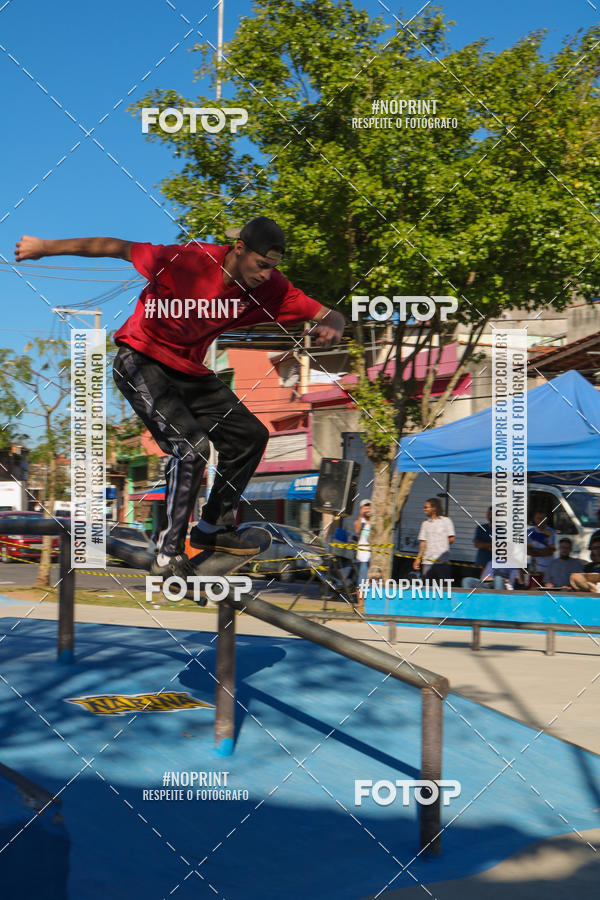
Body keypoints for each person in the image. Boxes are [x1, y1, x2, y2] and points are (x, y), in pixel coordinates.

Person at [15, 219, 345, 577]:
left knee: (250, 436)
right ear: (239, 249)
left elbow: (328, 314)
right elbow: (116, 247)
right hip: (140, 359)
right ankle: (167, 551)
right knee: (191, 447)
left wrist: (335, 323)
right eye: (261, 264)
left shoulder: (272, 288)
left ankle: (213, 527)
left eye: (273, 267)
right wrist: (44, 247)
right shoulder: (186, 260)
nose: (265, 275)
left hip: (188, 371)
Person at [414, 498, 455, 579]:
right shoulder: (425, 524)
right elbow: (423, 543)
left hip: (442, 562)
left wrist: (442, 547)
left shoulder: (446, 521)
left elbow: (451, 538)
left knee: (443, 585)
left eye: (426, 507)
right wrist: (418, 559)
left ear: (434, 508)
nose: (424, 509)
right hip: (427, 562)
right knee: (427, 585)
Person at [527, 510, 556, 584]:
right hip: (534, 571)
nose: (540, 521)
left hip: (548, 570)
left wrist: (534, 550)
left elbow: (550, 552)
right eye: (538, 518)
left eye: (542, 518)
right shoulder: (529, 532)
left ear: (546, 519)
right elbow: (527, 551)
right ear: (534, 519)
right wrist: (543, 551)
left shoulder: (552, 532)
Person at [354, 499, 371, 583]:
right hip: (363, 557)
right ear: (361, 509)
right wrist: (361, 516)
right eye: (365, 508)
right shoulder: (360, 522)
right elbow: (357, 530)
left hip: (373, 556)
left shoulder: (375, 521)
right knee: (362, 583)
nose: (368, 510)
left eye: (369, 508)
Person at [473, 507, 492, 574]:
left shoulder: (502, 530)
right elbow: (477, 544)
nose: (491, 515)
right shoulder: (481, 528)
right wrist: (491, 544)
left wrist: (484, 544)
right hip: (481, 563)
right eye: (489, 513)